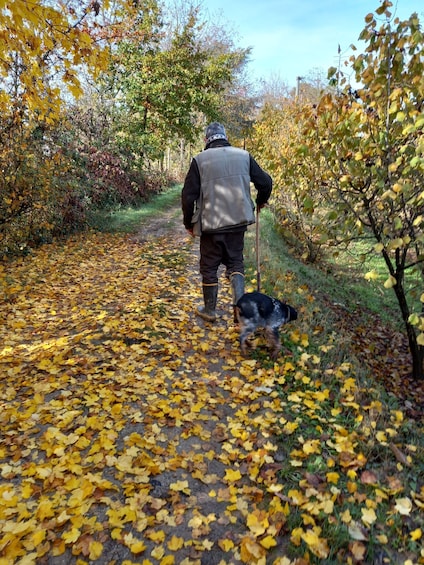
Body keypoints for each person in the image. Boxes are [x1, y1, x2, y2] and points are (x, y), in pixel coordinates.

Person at [182, 122, 273, 322]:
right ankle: (240, 312)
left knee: (209, 266)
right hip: (237, 222)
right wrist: (260, 202)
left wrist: (188, 223)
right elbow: (266, 183)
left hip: (211, 224)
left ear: (207, 140)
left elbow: (188, 196)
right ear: (224, 136)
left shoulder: (200, 160)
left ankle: (210, 310)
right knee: (235, 263)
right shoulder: (244, 156)